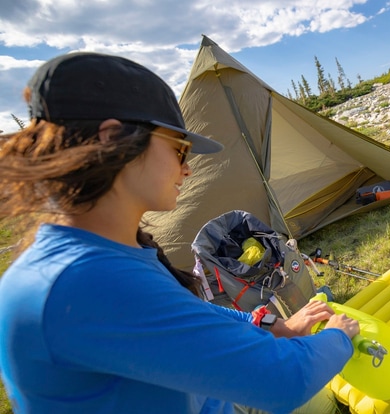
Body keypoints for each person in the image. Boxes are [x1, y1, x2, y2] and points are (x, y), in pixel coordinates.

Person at [0, 52, 360, 414]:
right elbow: (284, 379)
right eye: (178, 149)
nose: (187, 168)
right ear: (112, 140)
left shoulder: (105, 254)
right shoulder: (81, 282)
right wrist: (338, 337)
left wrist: (269, 324)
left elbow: (188, 314)